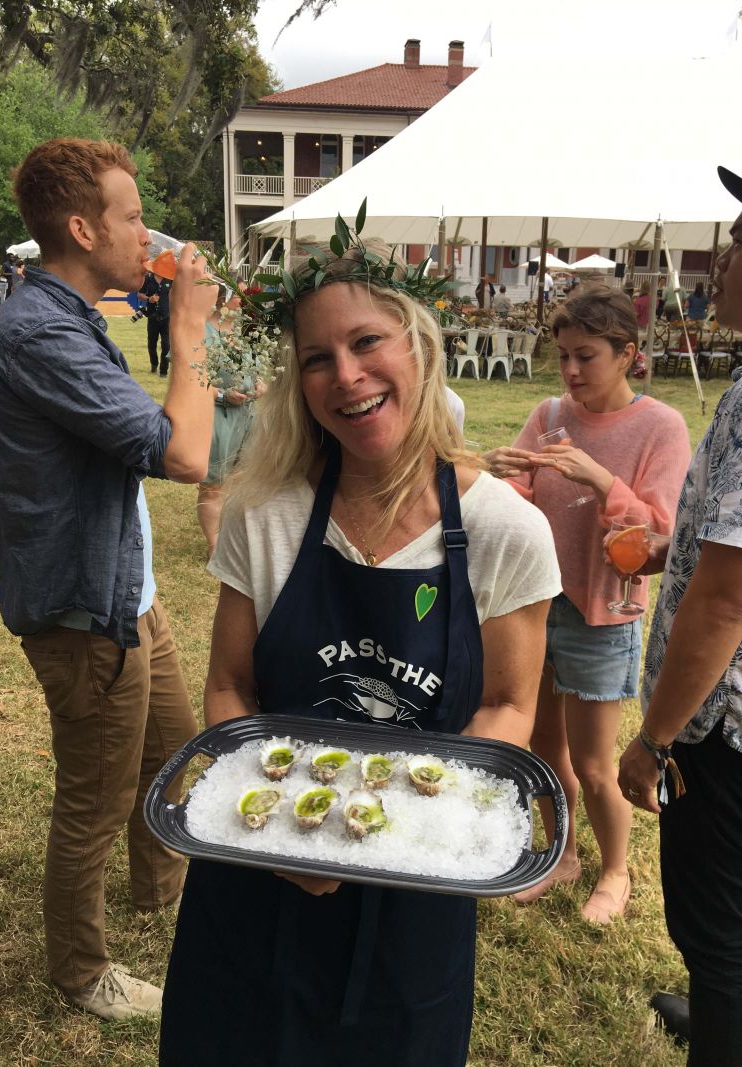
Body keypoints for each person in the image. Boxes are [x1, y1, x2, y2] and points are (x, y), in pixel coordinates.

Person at [159, 231, 561, 1066]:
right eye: (316, 357)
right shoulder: (264, 514)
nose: (345, 375)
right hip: (255, 869)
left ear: (419, 346)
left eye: (367, 341)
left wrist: (393, 837)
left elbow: (507, 704)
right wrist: (285, 843)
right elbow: (231, 689)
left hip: (415, 882)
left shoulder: (504, 531)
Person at [0, 137, 217, 1020]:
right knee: (96, 797)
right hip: (85, 613)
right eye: (128, 215)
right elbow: (186, 453)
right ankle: (82, 973)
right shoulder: (40, 331)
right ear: (81, 227)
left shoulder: (75, 318)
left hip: (128, 591)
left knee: (174, 750)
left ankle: (165, 890)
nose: (144, 231)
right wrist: (187, 330)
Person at [618, 164, 742, 1066]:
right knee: (741, 892)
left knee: (709, 917)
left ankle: (730, 1018)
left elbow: (726, 600)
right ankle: (737, 997)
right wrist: (677, 546)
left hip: (732, 725)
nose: (722, 255)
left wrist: (658, 738)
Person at [485, 285, 691, 923]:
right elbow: (520, 500)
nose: (570, 372)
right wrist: (499, 478)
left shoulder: (660, 426)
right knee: (545, 748)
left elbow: (657, 534)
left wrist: (599, 480)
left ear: (628, 355)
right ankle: (563, 852)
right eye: (563, 356)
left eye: (586, 357)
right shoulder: (550, 414)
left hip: (603, 617)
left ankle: (616, 872)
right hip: (537, 604)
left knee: (596, 764)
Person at [196, 288, 263, 557]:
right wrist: (223, 395)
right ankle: (215, 546)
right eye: (241, 297)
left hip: (247, 417)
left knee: (242, 483)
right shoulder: (202, 333)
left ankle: (233, 538)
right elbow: (192, 382)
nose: (245, 303)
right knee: (213, 486)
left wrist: (260, 386)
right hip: (218, 417)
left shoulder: (243, 336)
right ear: (223, 300)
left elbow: (258, 373)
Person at [138, 268, 172, 375]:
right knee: (151, 344)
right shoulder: (148, 278)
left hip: (166, 317)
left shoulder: (170, 279)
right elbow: (140, 294)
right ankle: (154, 364)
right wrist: (149, 299)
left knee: (166, 345)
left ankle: (163, 371)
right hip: (152, 316)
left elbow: (176, 294)